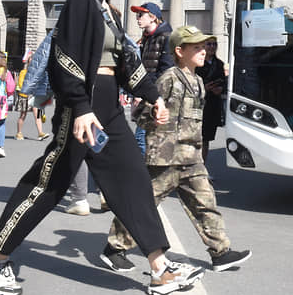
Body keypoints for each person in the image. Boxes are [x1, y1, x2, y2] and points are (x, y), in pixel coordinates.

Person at [0, 0, 203, 295]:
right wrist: (79, 106)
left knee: (132, 178)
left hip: (108, 104)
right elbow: (66, 57)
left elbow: (125, 61)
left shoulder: (107, 8)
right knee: (49, 183)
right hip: (86, 102)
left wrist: (153, 97)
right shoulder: (81, 1)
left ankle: (160, 269)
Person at [100, 25, 251, 275]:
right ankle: (114, 249)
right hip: (165, 158)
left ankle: (220, 253)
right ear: (180, 51)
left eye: (205, 47)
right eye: (197, 47)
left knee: (205, 202)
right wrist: (154, 114)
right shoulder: (169, 78)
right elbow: (141, 113)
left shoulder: (198, 81)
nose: (204, 51)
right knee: (143, 204)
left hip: (190, 157)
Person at [129, 1, 173, 155]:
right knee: (147, 138)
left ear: (153, 17)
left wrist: (145, 93)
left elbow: (165, 70)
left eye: (141, 15)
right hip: (147, 94)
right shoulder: (147, 38)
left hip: (156, 96)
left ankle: (142, 176)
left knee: (142, 138)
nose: (137, 18)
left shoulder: (166, 37)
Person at [195, 38, 227, 162]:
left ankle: (202, 167)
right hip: (198, 104)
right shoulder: (197, 62)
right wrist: (204, 88)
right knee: (195, 138)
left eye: (215, 44)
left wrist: (220, 89)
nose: (212, 47)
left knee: (206, 139)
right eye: (209, 44)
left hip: (212, 105)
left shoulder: (219, 64)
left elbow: (224, 82)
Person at [14, 52, 50, 141]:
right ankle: (19, 132)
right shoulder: (23, 72)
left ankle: (40, 133)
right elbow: (22, 84)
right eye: (31, 61)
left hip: (35, 96)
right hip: (25, 96)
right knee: (23, 115)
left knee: (37, 115)